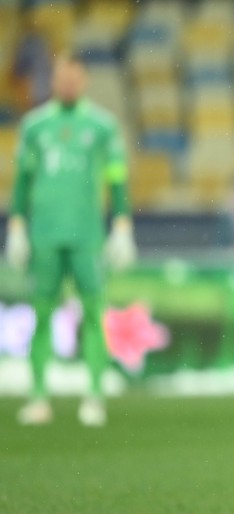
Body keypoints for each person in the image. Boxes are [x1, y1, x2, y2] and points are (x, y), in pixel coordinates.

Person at [5, 53, 136, 427]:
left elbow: (116, 177)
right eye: (61, 79)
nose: (67, 85)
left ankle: (94, 395)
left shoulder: (102, 126)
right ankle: (38, 396)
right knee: (42, 313)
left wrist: (123, 224)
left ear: (84, 82)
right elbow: (23, 181)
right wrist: (16, 225)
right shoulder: (35, 126)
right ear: (53, 81)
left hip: (86, 235)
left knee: (94, 312)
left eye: (73, 79)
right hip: (44, 234)